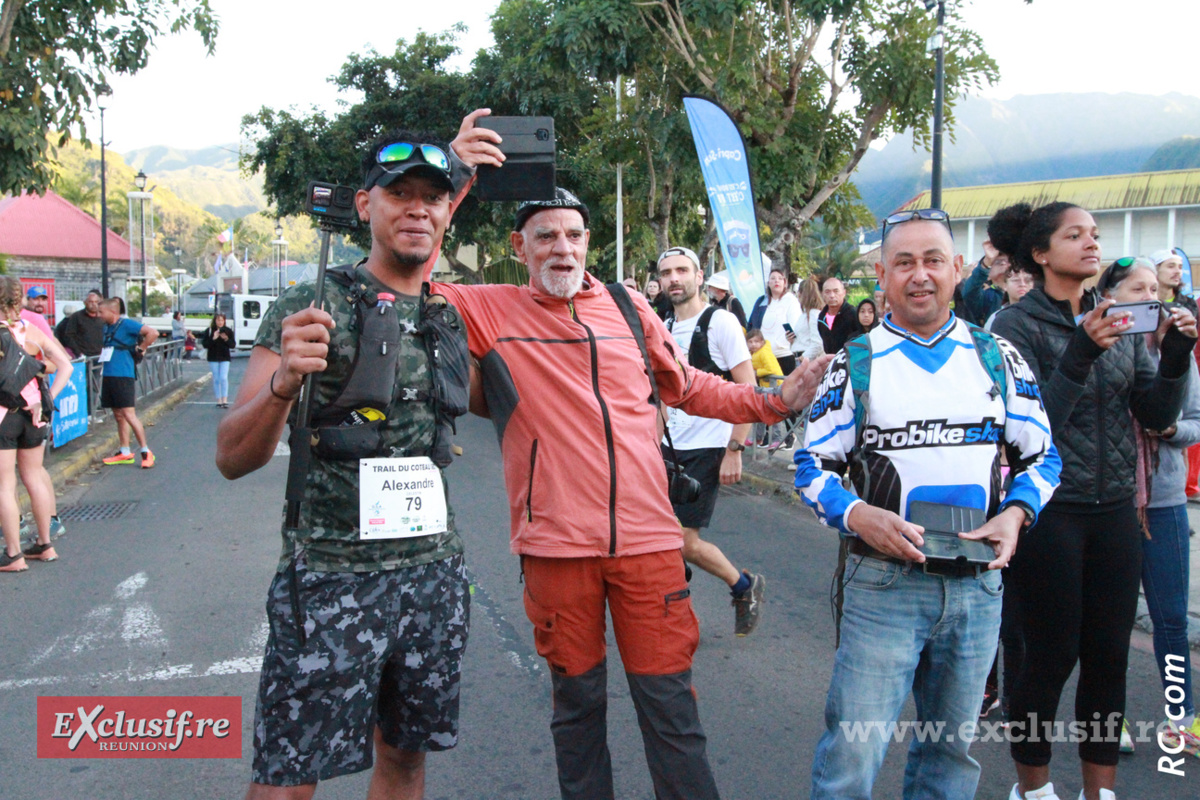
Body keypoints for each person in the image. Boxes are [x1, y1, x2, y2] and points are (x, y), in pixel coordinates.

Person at [432, 111, 830, 800]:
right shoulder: (486, 308)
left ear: (589, 242)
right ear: (518, 246)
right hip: (557, 549)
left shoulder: (625, 306)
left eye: (575, 235)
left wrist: (774, 402)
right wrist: (458, 174)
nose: (563, 248)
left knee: (672, 711)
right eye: (546, 236)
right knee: (577, 713)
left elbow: (689, 387)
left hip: (649, 543)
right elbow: (403, 272)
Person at [215, 127, 477, 799]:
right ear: (365, 205)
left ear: (449, 213)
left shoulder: (452, 314)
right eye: (399, 195)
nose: (417, 209)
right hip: (330, 575)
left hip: (432, 577)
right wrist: (281, 386)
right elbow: (232, 458)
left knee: (406, 760)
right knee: (288, 775)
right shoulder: (311, 307)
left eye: (433, 198)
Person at [795, 207, 1060, 800]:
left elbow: (1044, 457)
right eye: (904, 263)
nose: (920, 275)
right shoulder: (854, 364)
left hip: (977, 587)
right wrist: (858, 514)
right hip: (884, 585)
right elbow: (812, 466)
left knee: (950, 756)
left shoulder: (998, 357)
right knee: (852, 755)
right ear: (883, 278)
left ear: (957, 269)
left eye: (933, 260)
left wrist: (1015, 516)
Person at [989, 203, 1196, 800]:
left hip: (1115, 511)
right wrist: (1079, 351)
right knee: (1049, 655)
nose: (1091, 244)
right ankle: (1033, 788)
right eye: (1074, 235)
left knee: (1108, 656)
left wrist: (1177, 355)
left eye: (1095, 235)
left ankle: (1098, 791)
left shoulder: (1121, 321)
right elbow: (1030, 428)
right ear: (1040, 253)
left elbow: (1154, 414)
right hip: (1048, 509)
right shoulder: (1014, 325)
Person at [1094, 257, 1200, 756]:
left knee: (1171, 620)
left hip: (1164, 503)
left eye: (1155, 288)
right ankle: (1107, 719)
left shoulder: (1177, 349)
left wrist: (1173, 430)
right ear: (1110, 294)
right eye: (1138, 287)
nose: (1150, 297)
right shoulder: (1097, 344)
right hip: (1111, 501)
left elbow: (1196, 420)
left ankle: (1182, 720)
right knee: (1108, 617)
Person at [658, 245, 766, 635]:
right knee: (656, 539)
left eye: (682, 270)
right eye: (667, 272)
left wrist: (735, 449)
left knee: (684, 541)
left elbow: (748, 391)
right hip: (667, 448)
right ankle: (674, 616)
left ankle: (743, 585)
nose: (674, 278)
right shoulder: (662, 326)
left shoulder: (720, 323)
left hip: (707, 447)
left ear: (699, 276)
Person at [0, 277, 73, 571]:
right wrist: (48, 400)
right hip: (35, 413)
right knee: (34, 475)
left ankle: (14, 554)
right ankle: (45, 545)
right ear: (19, 300)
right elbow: (65, 365)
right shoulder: (31, 330)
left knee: (5, 484)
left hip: (4, 415)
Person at [98, 298, 157, 468]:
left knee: (129, 414)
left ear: (113, 312)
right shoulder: (106, 328)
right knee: (118, 415)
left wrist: (142, 347)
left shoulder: (127, 324)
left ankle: (146, 451)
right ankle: (125, 451)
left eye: (102, 312)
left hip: (123, 374)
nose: (99, 315)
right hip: (109, 374)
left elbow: (153, 333)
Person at [748, 265, 803, 374]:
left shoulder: (791, 301)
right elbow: (752, 325)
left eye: (780, 278)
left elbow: (796, 326)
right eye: (772, 278)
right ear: (768, 283)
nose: (776, 281)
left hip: (784, 354)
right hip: (763, 354)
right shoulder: (762, 301)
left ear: (785, 282)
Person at [960, 238, 1011, 325]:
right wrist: (986, 262)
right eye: (998, 262)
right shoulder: (987, 296)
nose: (1003, 264)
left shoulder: (1022, 289)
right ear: (988, 273)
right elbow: (969, 292)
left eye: (1008, 261)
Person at [56, 290, 106, 358]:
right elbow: (69, 335)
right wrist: (78, 352)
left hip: (101, 355)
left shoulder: (103, 317)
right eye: (91, 302)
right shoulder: (76, 317)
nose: (94, 304)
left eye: (96, 302)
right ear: (85, 303)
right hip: (84, 356)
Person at [816, 275, 858, 355]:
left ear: (844, 293)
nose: (832, 296)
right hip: (831, 362)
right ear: (822, 294)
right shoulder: (821, 317)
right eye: (827, 292)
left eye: (836, 291)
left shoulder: (853, 314)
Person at [201, 313, 234, 407]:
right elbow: (205, 344)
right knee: (216, 379)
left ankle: (225, 399)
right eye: (218, 320)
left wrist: (226, 339)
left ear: (224, 321)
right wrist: (214, 338)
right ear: (215, 321)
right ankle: (219, 400)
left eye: (222, 320)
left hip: (225, 357)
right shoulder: (209, 331)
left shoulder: (228, 331)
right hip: (213, 357)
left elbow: (233, 345)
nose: (220, 322)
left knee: (223, 377)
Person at [792, 277, 823, 361]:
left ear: (800, 294)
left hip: (805, 357)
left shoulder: (813, 314)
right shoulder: (805, 314)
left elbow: (818, 343)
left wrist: (804, 357)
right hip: (798, 354)